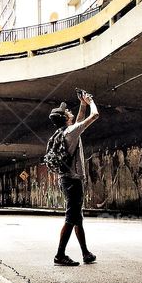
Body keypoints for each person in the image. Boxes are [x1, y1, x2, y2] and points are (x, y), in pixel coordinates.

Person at [44, 90, 100, 266]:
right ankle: (60, 255)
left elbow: (78, 121)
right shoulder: (72, 132)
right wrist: (90, 101)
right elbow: (95, 115)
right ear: (65, 118)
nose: (70, 111)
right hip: (73, 181)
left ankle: (85, 253)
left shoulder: (65, 132)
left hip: (67, 179)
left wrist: (82, 103)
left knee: (77, 217)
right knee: (71, 217)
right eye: (67, 111)